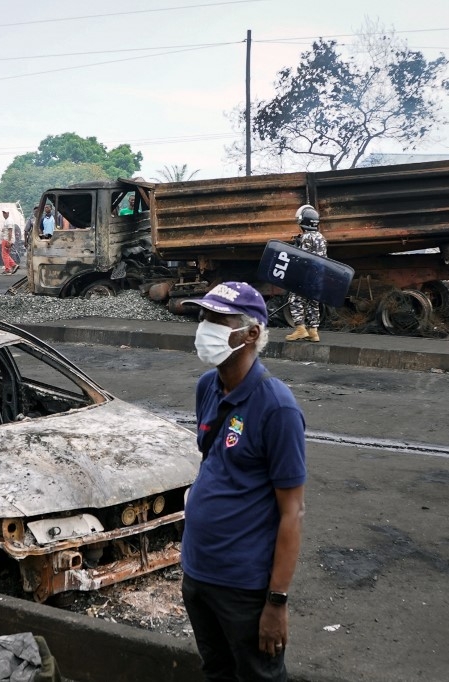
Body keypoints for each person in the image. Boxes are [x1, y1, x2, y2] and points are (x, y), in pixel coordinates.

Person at [181, 281, 307, 682]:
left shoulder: (278, 408)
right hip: (198, 572)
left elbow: (292, 513)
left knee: (258, 676)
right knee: (216, 671)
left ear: (251, 333)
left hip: (243, 586)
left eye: (218, 320)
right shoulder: (208, 387)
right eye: (203, 318)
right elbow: (215, 465)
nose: (205, 328)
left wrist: (277, 602)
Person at [285, 205, 328, 342]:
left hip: (306, 276)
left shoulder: (305, 237)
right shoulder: (321, 237)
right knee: (312, 303)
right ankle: (313, 332)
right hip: (318, 277)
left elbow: (301, 258)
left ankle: (300, 329)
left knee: (295, 299)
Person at [0, 210, 19, 274]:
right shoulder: (7, 221)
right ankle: (13, 265)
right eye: (3, 213)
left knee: (4, 255)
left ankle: (8, 269)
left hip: (7, 240)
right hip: (6, 239)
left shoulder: (9, 221)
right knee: (6, 254)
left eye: (5, 213)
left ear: (8, 213)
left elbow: (10, 231)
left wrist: (9, 241)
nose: (4, 214)